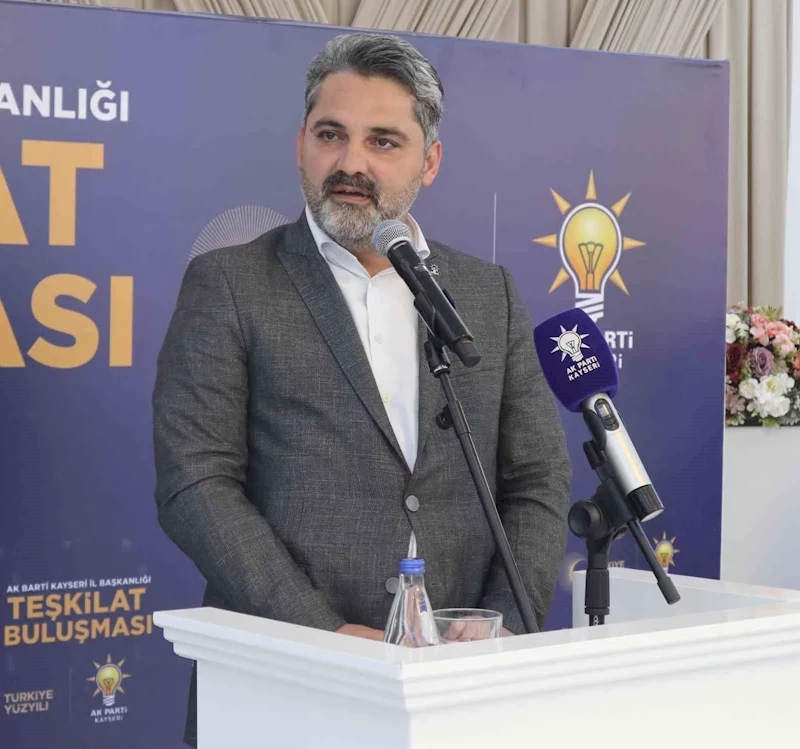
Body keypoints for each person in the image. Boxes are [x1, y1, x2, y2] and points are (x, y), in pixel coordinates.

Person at [153, 32, 571, 746]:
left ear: (429, 161)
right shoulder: (230, 284)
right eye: (331, 135)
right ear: (301, 145)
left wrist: (498, 622)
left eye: (383, 141)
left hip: (456, 688)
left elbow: (537, 477)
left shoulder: (485, 293)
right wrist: (321, 633)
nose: (352, 162)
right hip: (281, 677)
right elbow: (196, 483)